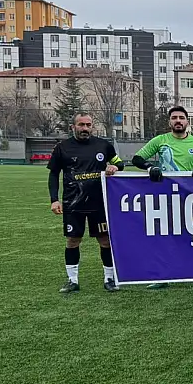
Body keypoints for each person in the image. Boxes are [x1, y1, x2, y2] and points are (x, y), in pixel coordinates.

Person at [131, 105, 193, 289]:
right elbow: (137, 159)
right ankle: (163, 277)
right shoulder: (160, 140)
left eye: (181, 118)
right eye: (174, 118)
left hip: (191, 198)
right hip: (166, 198)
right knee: (165, 237)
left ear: (187, 121)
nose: (178, 121)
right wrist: (150, 167)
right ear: (169, 122)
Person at [47, 113, 124, 293]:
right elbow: (53, 174)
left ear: (92, 126)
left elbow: (120, 163)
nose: (85, 128)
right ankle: (72, 280)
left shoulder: (103, 145)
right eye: (81, 125)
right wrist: (54, 200)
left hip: (100, 203)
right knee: (73, 240)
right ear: (73, 127)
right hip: (73, 203)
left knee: (105, 240)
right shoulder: (62, 148)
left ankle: (109, 279)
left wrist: (115, 166)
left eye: (88, 125)